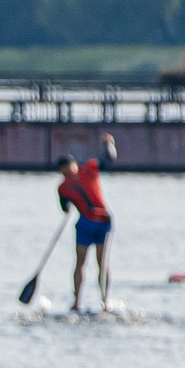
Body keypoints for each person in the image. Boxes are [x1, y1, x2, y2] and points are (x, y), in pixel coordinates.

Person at [55, 133, 118, 313]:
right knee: (81, 263)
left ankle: (104, 301)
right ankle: (77, 302)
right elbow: (65, 207)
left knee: (102, 262)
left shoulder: (89, 169)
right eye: (64, 171)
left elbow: (108, 158)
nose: (67, 173)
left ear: (73, 165)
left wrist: (109, 143)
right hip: (86, 223)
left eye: (68, 168)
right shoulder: (64, 187)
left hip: (102, 221)